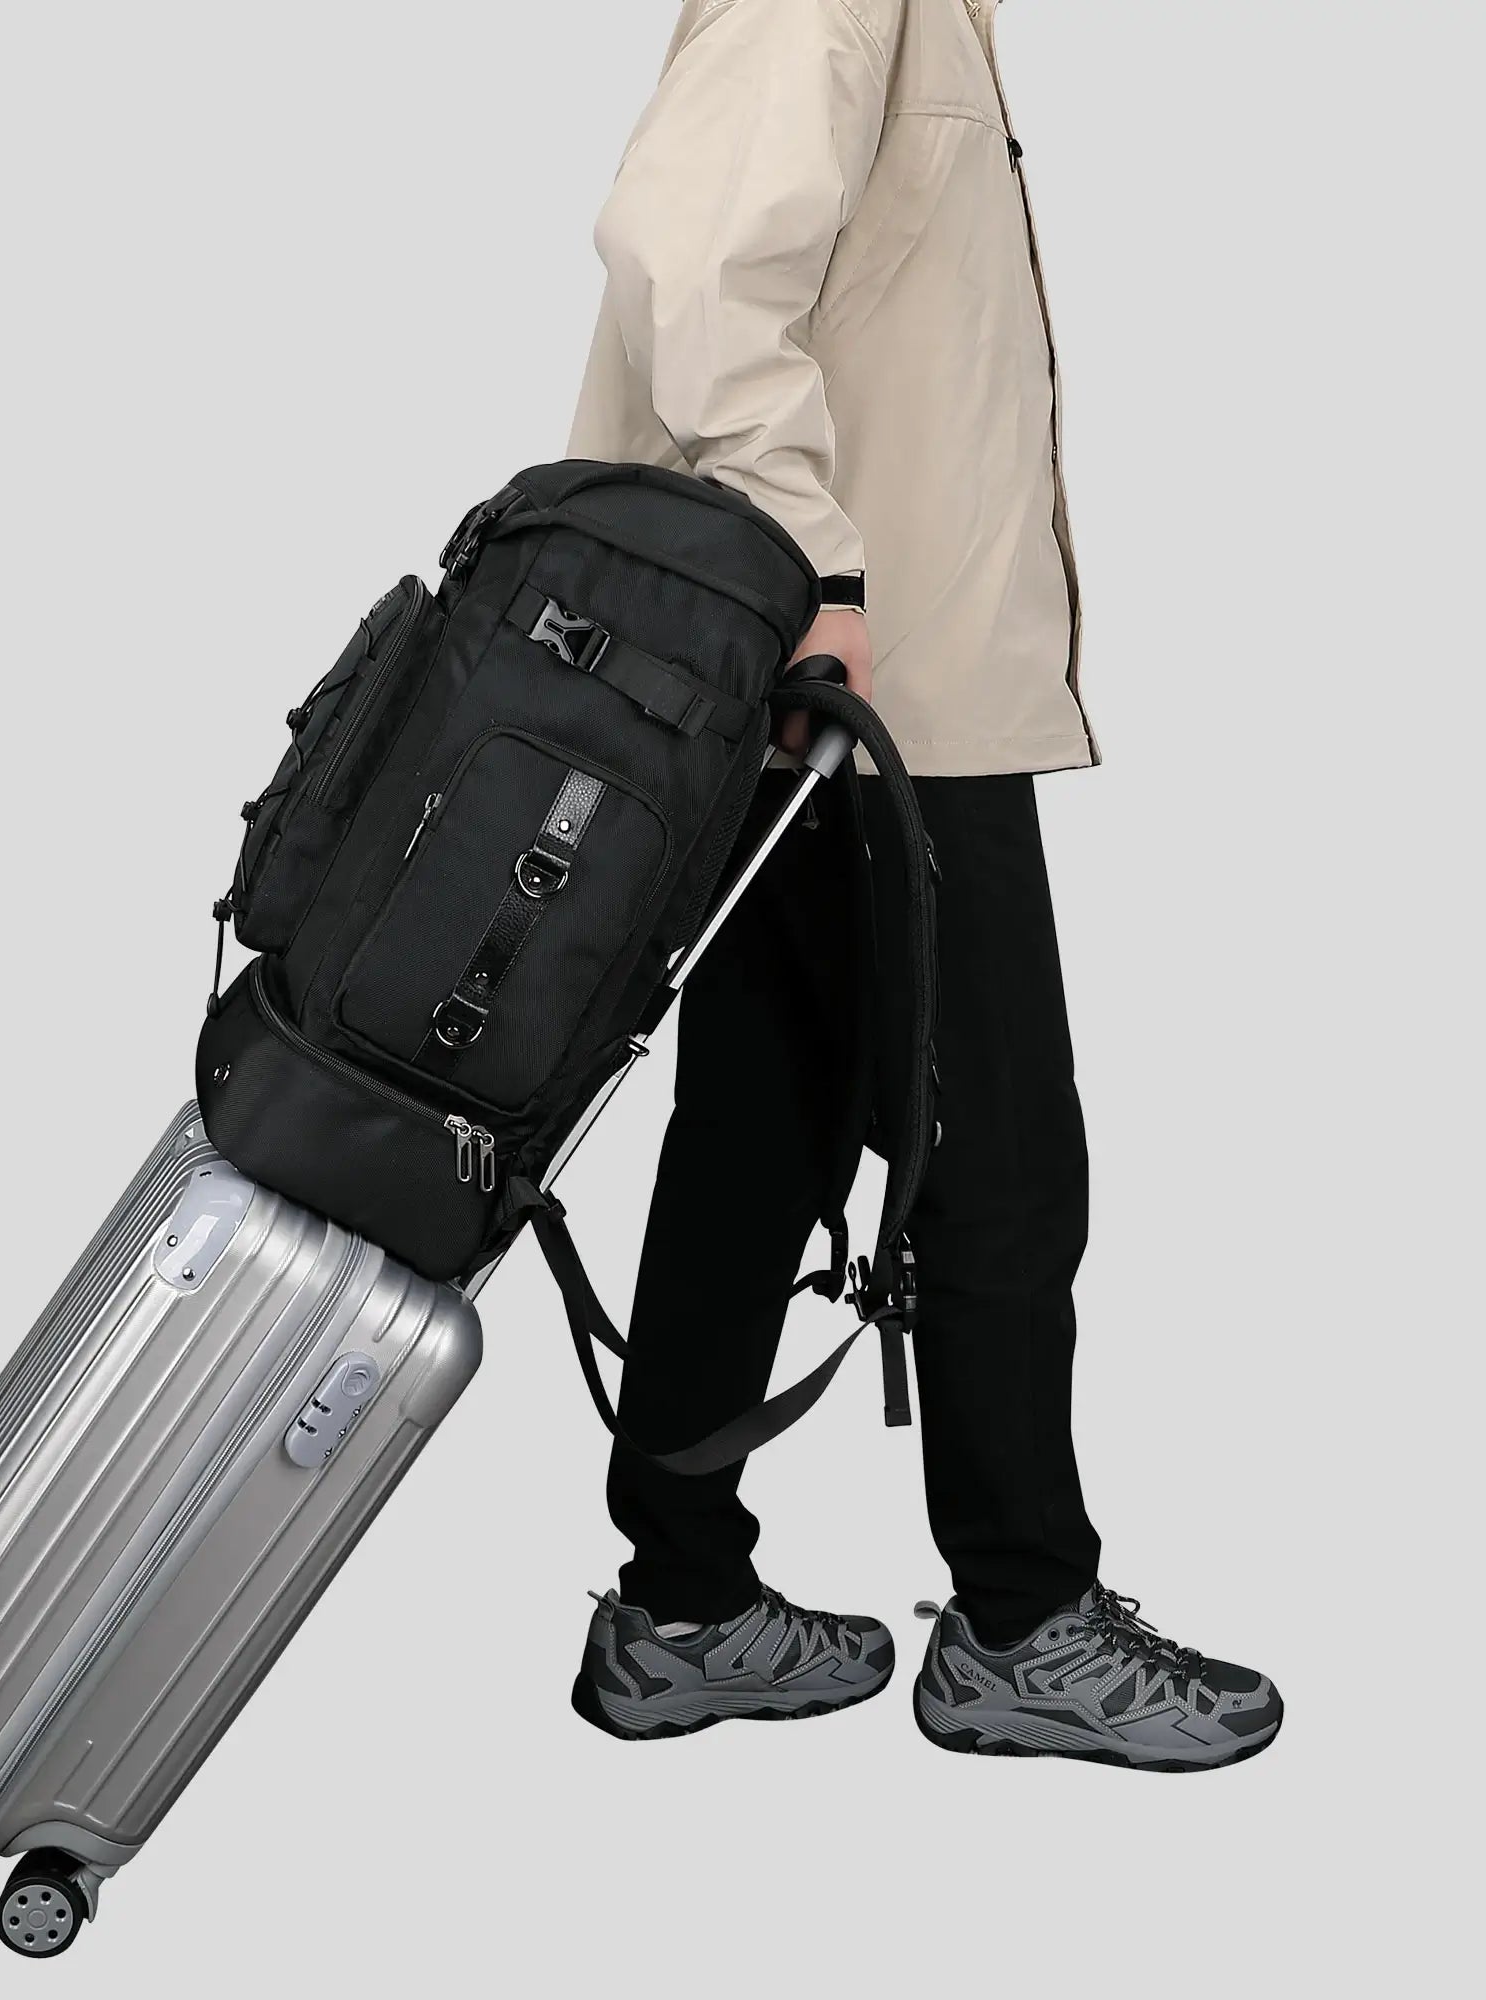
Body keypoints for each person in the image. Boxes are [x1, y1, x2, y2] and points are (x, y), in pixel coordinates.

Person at [564, 0, 1281, 1769]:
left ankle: (681, 1607)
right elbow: (690, 255)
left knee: (761, 1140)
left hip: (829, 687)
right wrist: (812, 566)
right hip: (867, 693)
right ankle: (1025, 1624)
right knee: (1001, 1155)